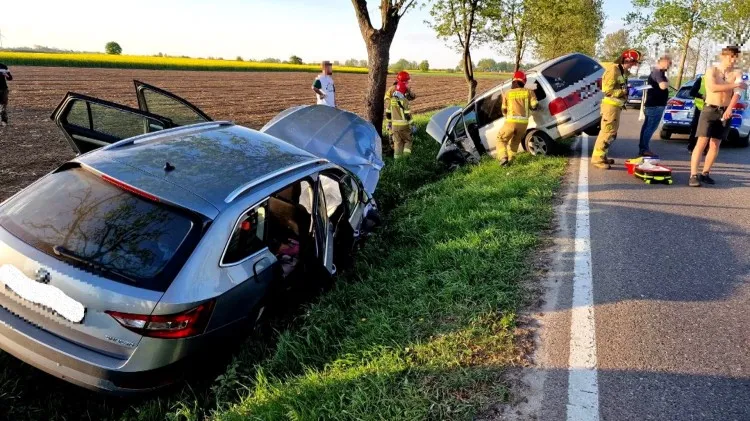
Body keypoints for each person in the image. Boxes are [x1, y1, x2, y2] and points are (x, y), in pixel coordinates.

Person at [689, 46, 746, 187]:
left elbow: (738, 92)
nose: (732, 60)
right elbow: (713, 87)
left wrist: (730, 108)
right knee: (701, 142)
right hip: (709, 109)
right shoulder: (712, 70)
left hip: (725, 110)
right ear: (723, 56)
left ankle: (705, 173)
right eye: (730, 57)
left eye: (735, 57)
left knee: (715, 144)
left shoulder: (737, 72)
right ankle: (693, 175)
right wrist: (734, 84)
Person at [592, 49, 642, 169]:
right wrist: (625, 91)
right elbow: (607, 90)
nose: (634, 65)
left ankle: (602, 156)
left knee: (611, 134)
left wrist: (627, 89)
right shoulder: (613, 70)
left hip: (616, 107)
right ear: (627, 60)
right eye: (634, 62)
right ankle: (597, 160)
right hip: (610, 107)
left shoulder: (622, 71)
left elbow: (619, 85)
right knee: (607, 132)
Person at [496, 71, 539, 166]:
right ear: (523, 81)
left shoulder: (507, 94)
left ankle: (503, 158)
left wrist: (506, 116)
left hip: (511, 122)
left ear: (513, 80)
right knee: (515, 142)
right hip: (523, 124)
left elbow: (503, 109)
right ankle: (510, 161)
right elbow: (534, 104)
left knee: (501, 139)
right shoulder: (529, 91)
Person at [638, 56, 672, 156]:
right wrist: (667, 82)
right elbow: (663, 86)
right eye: (669, 63)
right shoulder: (658, 72)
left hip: (653, 105)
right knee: (650, 127)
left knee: (647, 127)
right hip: (655, 105)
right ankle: (644, 149)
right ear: (663, 62)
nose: (670, 66)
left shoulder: (656, 72)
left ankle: (643, 148)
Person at [386, 75, 415, 158]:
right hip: (404, 125)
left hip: (394, 126)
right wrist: (412, 125)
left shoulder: (391, 100)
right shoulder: (404, 100)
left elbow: (388, 112)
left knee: (397, 143)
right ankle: (406, 159)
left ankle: (398, 161)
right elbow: (407, 115)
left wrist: (389, 123)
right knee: (408, 141)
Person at [687, 74, 706, 153]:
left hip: (712, 108)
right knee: (696, 128)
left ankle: (704, 148)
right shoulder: (702, 79)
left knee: (706, 130)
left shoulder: (720, 79)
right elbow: (692, 92)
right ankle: (692, 147)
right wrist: (702, 96)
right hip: (700, 107)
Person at [0, 63, 12, 127]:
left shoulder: (3, 66)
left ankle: (3, 121)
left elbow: (10, 78)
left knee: (3, 106)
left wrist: (6, 75)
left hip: (4, 89)